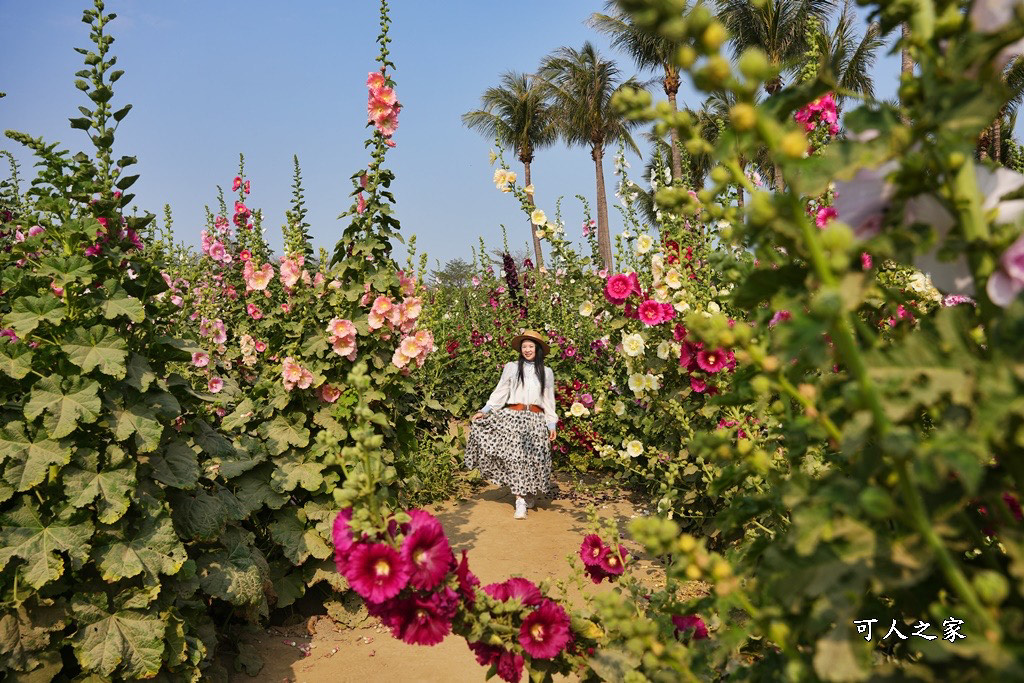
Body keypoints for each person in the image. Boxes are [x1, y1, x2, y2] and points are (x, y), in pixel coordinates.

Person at [465, 329, 558, 519]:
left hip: (536, 420)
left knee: (533, 459)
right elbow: (501, 391)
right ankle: (520, 500)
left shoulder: (546, 373)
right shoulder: (512, 367)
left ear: (538, 349)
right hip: (514, 417)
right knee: (515, 458)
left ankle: (529, 493)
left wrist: (551, 424)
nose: (527, 350)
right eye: (524, 346)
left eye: (531, 346)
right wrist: (485, 410)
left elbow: (549, 400)